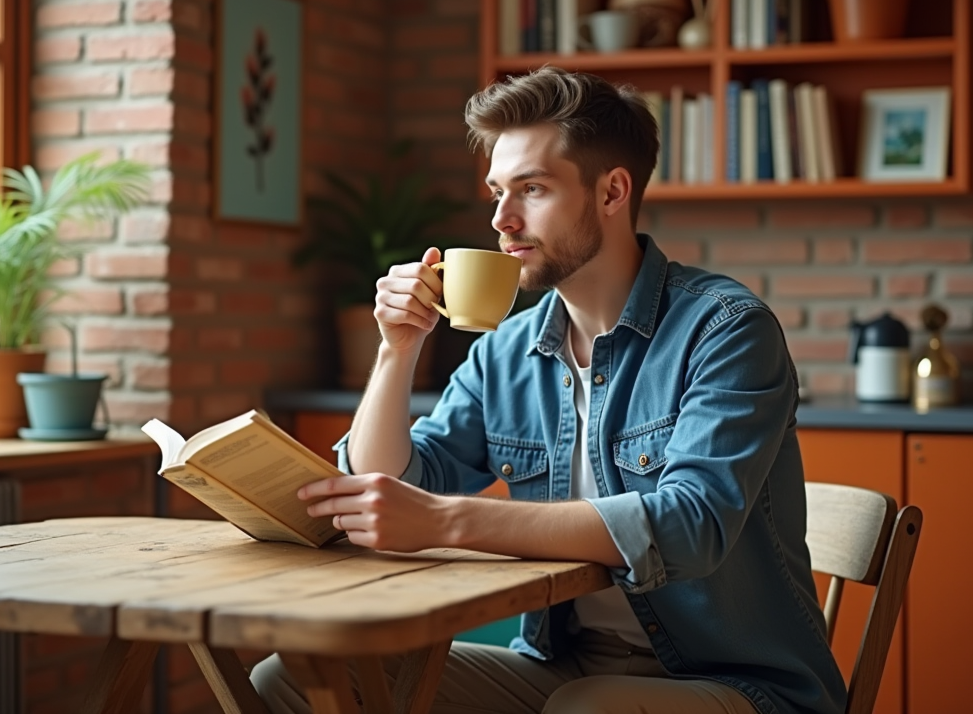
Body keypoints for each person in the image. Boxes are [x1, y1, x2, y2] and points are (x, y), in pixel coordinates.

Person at [251, 67, 847, 714]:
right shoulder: (505, 351)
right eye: (496, 193)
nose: (503, 221)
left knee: (585, 710)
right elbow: (392, 486)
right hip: (560, 668)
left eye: (531, 189)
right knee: (296, 675)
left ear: (613, 191)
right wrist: (397, 349)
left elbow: (689, 524)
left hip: (738, 683)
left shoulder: (726, 330)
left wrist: (448, 521)